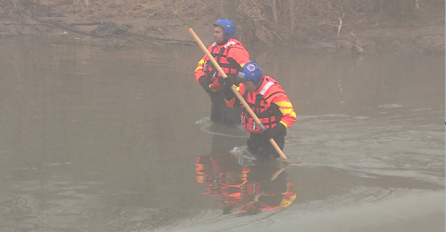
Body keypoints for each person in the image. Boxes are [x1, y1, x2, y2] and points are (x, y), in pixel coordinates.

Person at [222, 62, 296, 159]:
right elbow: (231, 104)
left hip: (272, 137)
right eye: (244, 84)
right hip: (255, 134)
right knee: (252, 164)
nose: (245, 87)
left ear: (256, 81)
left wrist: (275, 131)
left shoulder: (274, 94)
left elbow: (291, 116)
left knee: (266, 163)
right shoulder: (244, 88)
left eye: (247, 84)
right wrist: (227, 92)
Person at [194, 19, 251, 126]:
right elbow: (199, 68)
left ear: (227, 33)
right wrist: (204, 83)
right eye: (214, 31)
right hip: (215, 94)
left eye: (217, 32)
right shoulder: (212, 48)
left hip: (231, 96)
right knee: (215, 123)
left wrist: (234, 83)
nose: (214, 35)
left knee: (231, 127)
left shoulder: (235, 50)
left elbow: (250, 73)